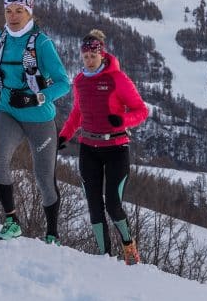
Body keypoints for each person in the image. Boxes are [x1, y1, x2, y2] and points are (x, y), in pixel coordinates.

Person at [0, 0, 71, 244]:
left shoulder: (42, 44)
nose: (13, 16)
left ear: (29, 12)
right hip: (8, 109)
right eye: (9, 11)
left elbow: (64, 83)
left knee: (44, 177)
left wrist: (37, 97)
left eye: (19, 11)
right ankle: (12, 221)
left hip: (39, 117)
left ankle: (53, 233)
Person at [59, 30, 149, 264]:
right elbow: (77, 113)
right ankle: (104, 257)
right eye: (85, 56)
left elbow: (141, 110)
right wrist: (64, 135)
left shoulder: (117, 79)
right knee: (94, 205)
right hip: (88, 149)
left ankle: (129, 246)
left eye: (93, 56)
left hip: (116, 148)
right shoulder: (79, 81)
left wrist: (123, 121)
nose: (89, 60)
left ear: (102, 54)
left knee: (113, 203)